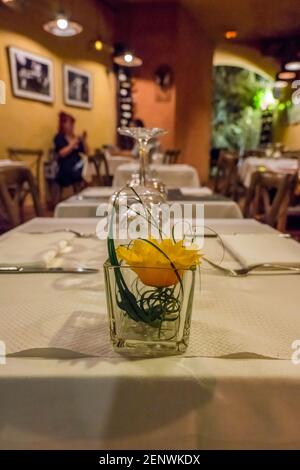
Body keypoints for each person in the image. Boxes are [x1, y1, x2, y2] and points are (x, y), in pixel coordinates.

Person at [54, 112, 89, 187]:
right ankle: (83, 187)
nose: (72, 126)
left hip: (78, 163)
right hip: (66, 166)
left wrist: (84, 141)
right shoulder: (59, 137)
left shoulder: (75, 137)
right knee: (83, 171)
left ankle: (86, 187)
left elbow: (86, 152)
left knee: (89, 166)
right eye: (70, 124)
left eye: (73, 124)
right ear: (63, 125)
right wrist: (73, 144)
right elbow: (62, 153)